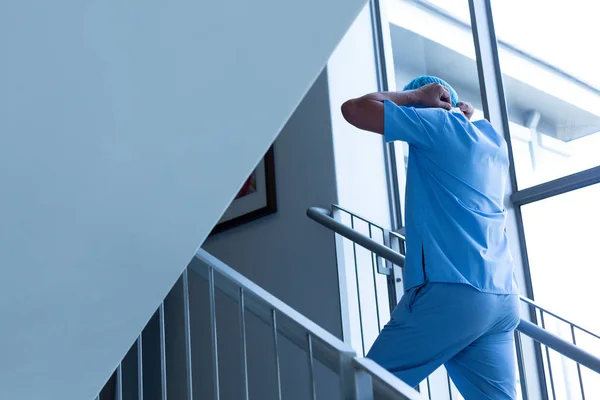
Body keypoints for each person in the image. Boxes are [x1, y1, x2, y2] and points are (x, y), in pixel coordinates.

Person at [341, 76, 520, 400]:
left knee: (365, 389)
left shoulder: (437, 124)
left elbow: (354, 109)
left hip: (451, 292)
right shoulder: (492, 140)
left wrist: (413, 97)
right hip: (501, 296)